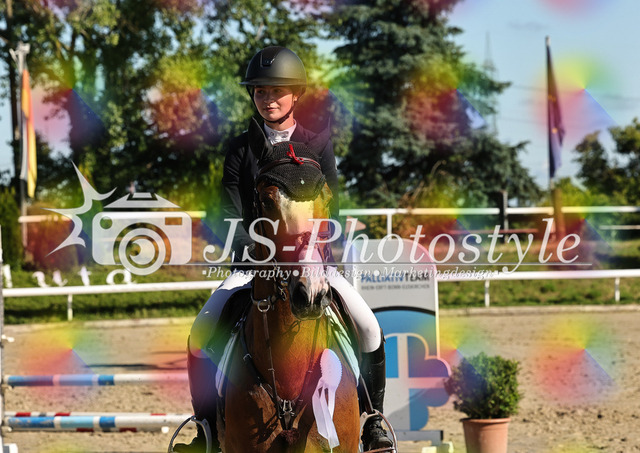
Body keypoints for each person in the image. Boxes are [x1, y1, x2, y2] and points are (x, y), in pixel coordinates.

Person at [175, 46, 393, 452]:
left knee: (368, 326)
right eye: (260, 91)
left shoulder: (317, 144)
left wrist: (314, 252)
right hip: (255, 265)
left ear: (297, 95)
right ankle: (204, 427)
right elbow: (230, 213)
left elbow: (332, 211)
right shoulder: (241, 149)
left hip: (312, 263)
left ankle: (373, 420)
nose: (268, 99)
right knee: (200, 333)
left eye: (277, 91)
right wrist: (255, 252)